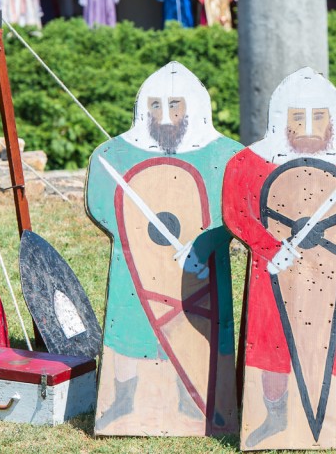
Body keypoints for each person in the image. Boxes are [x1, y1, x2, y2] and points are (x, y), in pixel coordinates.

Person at [222, 68, 336, 449]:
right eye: (297, 117)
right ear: (281, 119)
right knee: (272, 339)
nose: (307, 127)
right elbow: (239, 211)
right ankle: (273, 415)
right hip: (277, 268)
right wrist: (269, 246)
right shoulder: (248, 164)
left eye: (317, 116)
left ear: (333, 118)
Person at [85, 62, 241, 436]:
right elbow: (102, 202)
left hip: (198, 271)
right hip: (137, 261)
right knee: (130, 326)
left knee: (198, 328)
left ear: (194, 108)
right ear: (144, 109)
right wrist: (136, 237)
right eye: (156, 106)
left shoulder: (226, 155)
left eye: (175, 106)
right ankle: (124, 400)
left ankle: (198, 399)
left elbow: (234, 210)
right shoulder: (113, 155)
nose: (166, 116)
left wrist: (207, 246)